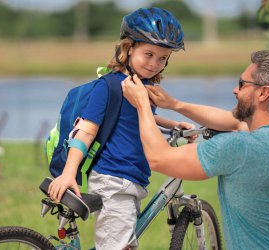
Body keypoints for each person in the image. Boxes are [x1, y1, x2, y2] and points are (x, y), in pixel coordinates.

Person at [122, 50, 269, 249]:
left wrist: (141, 105)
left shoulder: (239, 148)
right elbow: (236, 123)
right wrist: (174, 105)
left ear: (263, 93)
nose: (235, 90)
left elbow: (159, 158)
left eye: (242, 84)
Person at [48, 7, 193, 250]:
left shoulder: (141, 87)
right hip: (114, 181)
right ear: (128, 48)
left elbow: (139, 117)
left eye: (163, 58)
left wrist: (173, 124)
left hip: (131, 180)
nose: (155, 63)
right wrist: (69, 172)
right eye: (148, 54)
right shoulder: (108, 87)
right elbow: (85, 131)